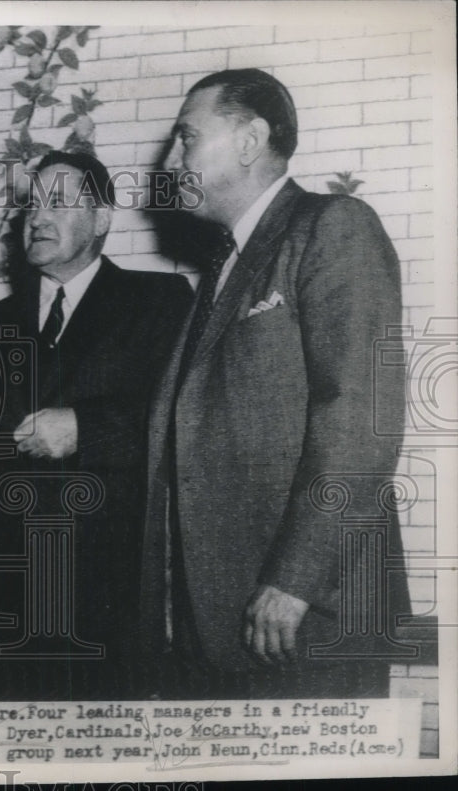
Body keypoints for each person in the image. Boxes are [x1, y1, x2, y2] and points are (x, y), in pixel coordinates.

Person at [139, 68, 410, 698]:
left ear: (249, 139)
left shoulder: (333, 226)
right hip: (223, 621)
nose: (173, 159)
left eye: (186, 138)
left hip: (305, 615)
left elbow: (359, 418)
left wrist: (295, 580)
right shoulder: (223, 266)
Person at [0, 151, 192, 700]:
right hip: (1, 609)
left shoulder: (159, 302)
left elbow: (186, 422)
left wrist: (89, 428)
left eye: (58, 202)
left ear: (103, 218)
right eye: (31, 205)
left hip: (107, 601)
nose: (36, 218)